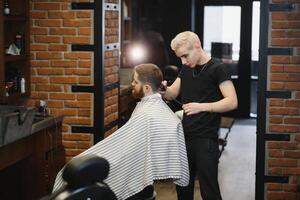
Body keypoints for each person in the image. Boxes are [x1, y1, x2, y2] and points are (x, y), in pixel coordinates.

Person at [53, 63, 189, 200]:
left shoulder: (149, 114)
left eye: (135, 82)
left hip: (129, 165)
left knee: (68, 174)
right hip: (130, 159)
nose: (132, 84)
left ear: (147, 88)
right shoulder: (153, 109)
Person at [161, 31, 238, 200]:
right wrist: (162, 89)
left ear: (197, 46)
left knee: (209, 192)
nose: (183, 61)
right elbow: (172, 94)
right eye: (180, 57)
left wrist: (202, 107)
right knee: (183, 191)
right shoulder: (186, 68)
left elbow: (232, 102)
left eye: (185, 56)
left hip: (206, 140)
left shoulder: (218, 68)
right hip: (184, 138)